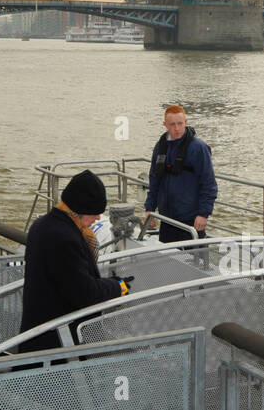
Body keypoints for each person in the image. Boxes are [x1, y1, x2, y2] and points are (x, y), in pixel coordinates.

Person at [19, 170, 128, 352]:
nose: (98, 218)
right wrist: (117, 286)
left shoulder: (42, 225)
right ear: (80, 208)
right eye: (94, 212)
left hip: (38, 332)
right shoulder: (64, 238)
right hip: (58, 343)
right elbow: (84, 293)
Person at [144, 105, 218, 244]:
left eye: (180, 123)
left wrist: (203, 214)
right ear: (165, 125)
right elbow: (154, 180)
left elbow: (209, 183)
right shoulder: (160, 147)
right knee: (168, 260)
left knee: (194, 262)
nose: (177, 128)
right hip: (167, 219)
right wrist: (150, 209)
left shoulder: (198, 148)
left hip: (191, 219)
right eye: (172, 124)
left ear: (186, 122)